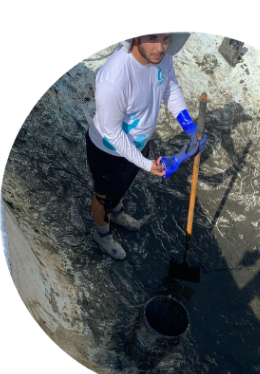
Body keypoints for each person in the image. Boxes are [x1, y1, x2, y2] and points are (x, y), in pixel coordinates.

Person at [84, 32, 207, 260]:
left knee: (123, 185)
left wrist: (188, 124)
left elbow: (169, 86)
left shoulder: (161, 57)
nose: (160, 47)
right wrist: (145, 163)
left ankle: (117, 212)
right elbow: (112, 132)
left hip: (139, 143)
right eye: (152, 38)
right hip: (109, 152)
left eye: (166, 39)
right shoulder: (114, 79)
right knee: (103, 196)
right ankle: (102, 234)